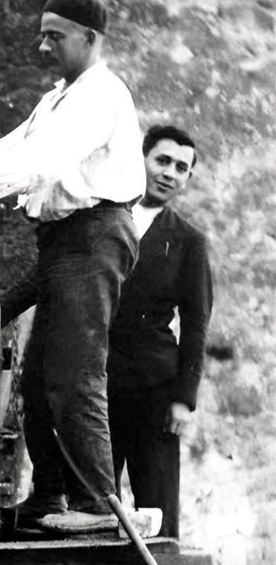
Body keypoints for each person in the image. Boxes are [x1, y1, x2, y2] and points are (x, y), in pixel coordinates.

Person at [0, 0, 145, 533]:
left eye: (56, 36)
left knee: (74, 373)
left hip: (94, 235)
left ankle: (98, 504)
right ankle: (50, 496)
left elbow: (43, 159)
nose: (43, 46)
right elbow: (14, 146)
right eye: (42, 34)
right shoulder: (57, 99)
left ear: (89, 38)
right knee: (41, 374)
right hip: (63, 241)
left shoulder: (101, 94)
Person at [108, 126, 212, 539]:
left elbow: (197, 322)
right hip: (98, 381)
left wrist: (184, 400)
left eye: (181, 168)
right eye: (162, 161)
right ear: (143, 159)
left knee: (156, 501)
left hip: (154, 388)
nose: (170, 173)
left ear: (187, 178)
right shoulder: (106, 218)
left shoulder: (188, 240)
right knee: (93, 497)